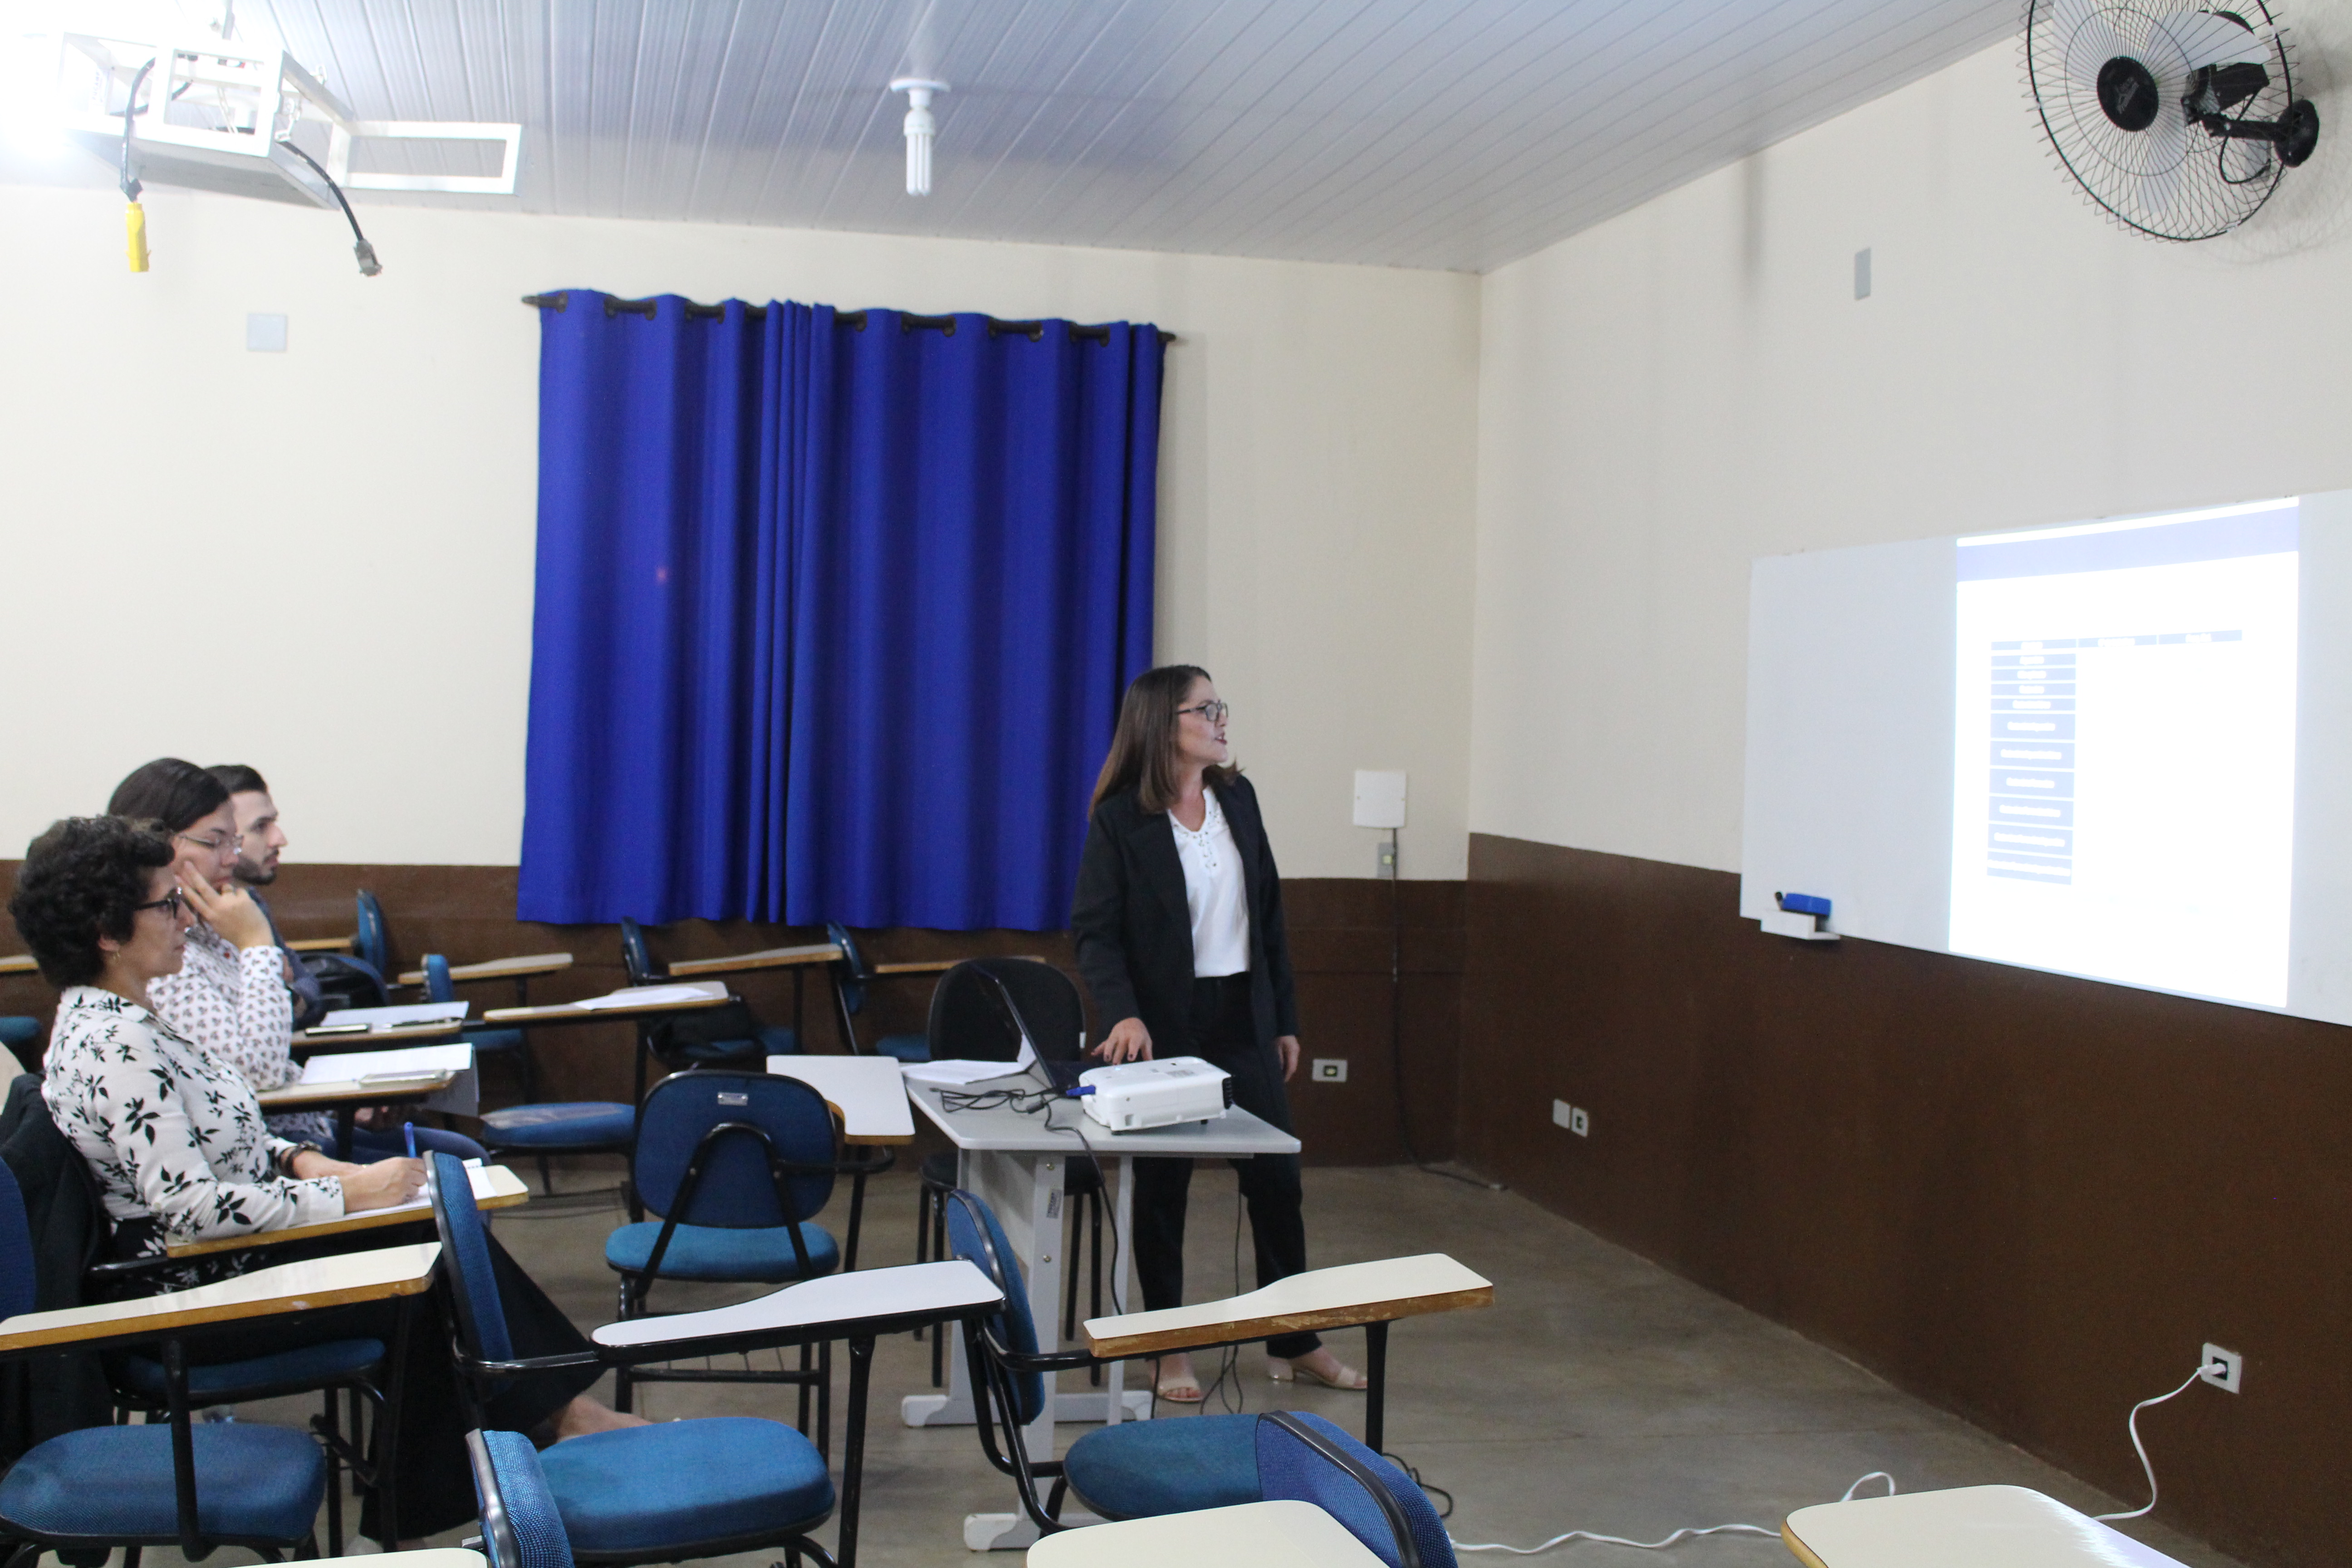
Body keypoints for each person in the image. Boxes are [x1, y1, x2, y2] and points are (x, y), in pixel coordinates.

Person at [9, 815, 640, 1541]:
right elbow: (190, 1208)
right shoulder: (115, 1042)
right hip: (188, 1299)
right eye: (166, 904)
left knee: (430, 1240)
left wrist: (304, 1161)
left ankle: (517, 1452)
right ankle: (491, 1471)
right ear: (106, 932)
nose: (185, 917)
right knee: (424, 1277)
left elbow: (231, 1136)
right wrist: (348, 1193)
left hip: (221, 1263)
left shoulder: (130, 1017)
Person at [1069, 664, 1367, 1401]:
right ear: (1161, 724)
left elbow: (1268, 917)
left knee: (1277, 1183)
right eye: (1205, 709)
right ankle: (1166, 1348)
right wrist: (1122, 1012)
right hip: (1162, 1026)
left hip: (1242, 1015)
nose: (1220, 719)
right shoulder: (1120, 819)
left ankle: (1293, 1339)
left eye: (1218, 706)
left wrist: (1284, 1019)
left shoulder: (1238, 797)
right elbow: (1095, 933)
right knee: (1162, 1192)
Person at [109, 759, 480, 1162]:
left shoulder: (212, 928)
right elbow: (259, 1074)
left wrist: (338, 1102)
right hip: (270, 1153)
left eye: (234, 842)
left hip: (300, 1128)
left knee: (459, 1155)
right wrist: (257, 946)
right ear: (158, 847)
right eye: (215, 842)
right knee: (457, 1160)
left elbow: (289, 1013)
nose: (231, 859)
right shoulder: (163, 959)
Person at [206, 761, 328, 1029]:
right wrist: (286, 996)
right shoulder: (191, 923)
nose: (279, 839)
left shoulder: (250, 900)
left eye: (274, 823)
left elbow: (310, 987)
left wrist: (289, 998)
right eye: (261, 827)